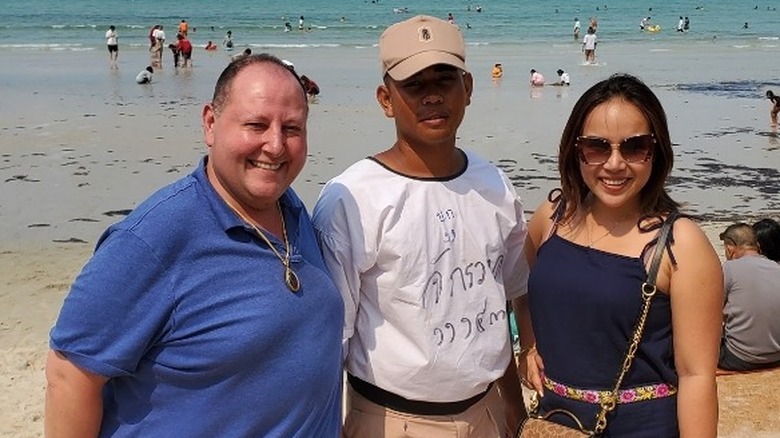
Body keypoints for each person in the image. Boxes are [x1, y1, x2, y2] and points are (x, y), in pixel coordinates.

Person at [45, 54, 344, 437]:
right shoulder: (151, 239)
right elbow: (69, 375)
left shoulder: (293, 211)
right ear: (210, 123)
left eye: (292, 128)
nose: (275, 145)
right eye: (255, 125)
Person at [312, 14, 529, 438]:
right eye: (413, 85)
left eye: (444, 80)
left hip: (488, 411)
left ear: (467, 89)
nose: (432, 96)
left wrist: (515, 410)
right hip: (393, 421)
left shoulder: (494, 184)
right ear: (386, 99)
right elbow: (329, 340)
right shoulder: (352, 198)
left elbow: (505, 299)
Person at [517, 74, 722, 436]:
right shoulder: (551, 217)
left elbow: (697, 376)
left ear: (655, 152)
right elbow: (523, 287)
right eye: (596, 147)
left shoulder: (680, 243)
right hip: (556, 422)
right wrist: (529, 346)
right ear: (574, 149)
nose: (614, 164)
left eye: (634, 147)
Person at [718, 223, 780, 371]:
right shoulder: (777, 268)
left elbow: (710, 311)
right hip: (777, 356)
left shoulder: (729, 268)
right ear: (757, 245)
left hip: (740, 357)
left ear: (729, 248)